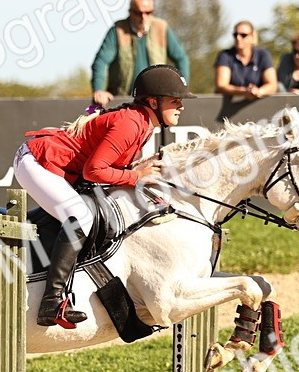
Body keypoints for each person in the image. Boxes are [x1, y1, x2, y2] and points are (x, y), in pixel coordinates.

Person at [13, 64, 194, 328]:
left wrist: (137, 170)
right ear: (153, 102)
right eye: (175, 100)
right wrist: (136, 177)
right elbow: (95, 170)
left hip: (60, 167)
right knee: (81, 216)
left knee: (87, 213)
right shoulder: (131, 123)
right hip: (36, 160)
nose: (181, 106)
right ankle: (50, 303)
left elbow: (108, 169)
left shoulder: (143, 123)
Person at [89, 0, 190, 108]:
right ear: (130, 12)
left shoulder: (161, 28)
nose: (143, 17)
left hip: (154, 101)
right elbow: (100, 61)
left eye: (148, 13)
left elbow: (181, 58)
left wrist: (181, 89)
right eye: (138, 13)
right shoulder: (118, 30)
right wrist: (99, 90)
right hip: (122, 100)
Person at [214, 21, 276, 99]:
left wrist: (259, 91)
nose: (238, 38)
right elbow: (221, 86)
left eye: (243, 35)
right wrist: (244, 91)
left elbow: (272, 85)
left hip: (259, 106)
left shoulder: (263, 55)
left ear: (252, 37)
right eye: (235, 34)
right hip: (229, 107)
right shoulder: (225, 55)